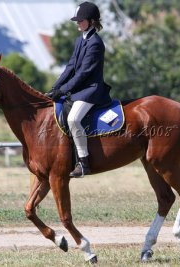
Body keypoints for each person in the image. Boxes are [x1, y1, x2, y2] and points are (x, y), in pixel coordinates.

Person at [47, 1, 112, 178]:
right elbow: (70, 67)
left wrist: (64, 89)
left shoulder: (95, 43)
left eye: (81, 20)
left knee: (74, 119)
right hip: (79, 90)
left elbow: (83, 73)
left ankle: (83, 163)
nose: (77, 23)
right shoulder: (80, 40)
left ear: (91, 21)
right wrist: (55, 88)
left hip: (91, 90)